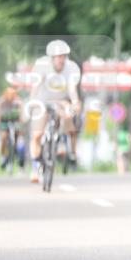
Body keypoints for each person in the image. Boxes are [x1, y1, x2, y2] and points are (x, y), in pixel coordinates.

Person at [28, 40, 82, 183]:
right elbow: (35, 86)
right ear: (51, 58)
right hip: (42, 100)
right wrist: (32, 102)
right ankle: (34, 168)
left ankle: (62, 143)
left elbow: (72, 90)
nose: (61, 59)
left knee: (68, 113)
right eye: (58, 56)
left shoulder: (70, 69)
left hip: (61, 100)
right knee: (37, 134)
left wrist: (75, 102)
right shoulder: (42, 66)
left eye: (63, 56)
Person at [0, 86, 23, 171]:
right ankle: (3, 156)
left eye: (13, 94)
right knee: (3, 137)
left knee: (17, 135)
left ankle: (15, 150)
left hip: (14, 121)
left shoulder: (17, 100)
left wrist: (22, 120)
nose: (11, 96)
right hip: (4, 121)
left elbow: (21, 112)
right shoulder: (1, 100)